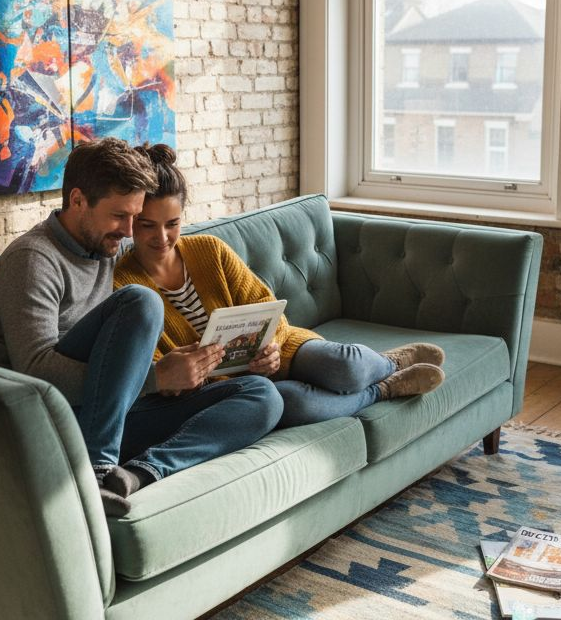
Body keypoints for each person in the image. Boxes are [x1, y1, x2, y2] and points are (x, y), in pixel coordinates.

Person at [0, 138, 284, 517]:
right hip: (56, 422)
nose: (129, 232)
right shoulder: (32, 261)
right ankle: (95, 469)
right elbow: (36, 373)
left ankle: (138, 473)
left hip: (116, 414)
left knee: (262, 396)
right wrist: (157, 377)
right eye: (120, 216)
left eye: (133, 218)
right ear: (77, 201)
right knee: (141, 301)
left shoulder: (104, 246)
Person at [114, 144, 445, 429]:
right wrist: (179, 377)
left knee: (345, 365)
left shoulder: (208, 250)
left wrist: (269, 348)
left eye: (173, 224)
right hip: (235, 390)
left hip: (275, 355)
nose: (162, 238)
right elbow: (153, 367)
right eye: (147, 226)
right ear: (131, 221)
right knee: (291, 404)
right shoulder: (122, 284)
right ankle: (383, 389)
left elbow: (264, 303)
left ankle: (389, 363)